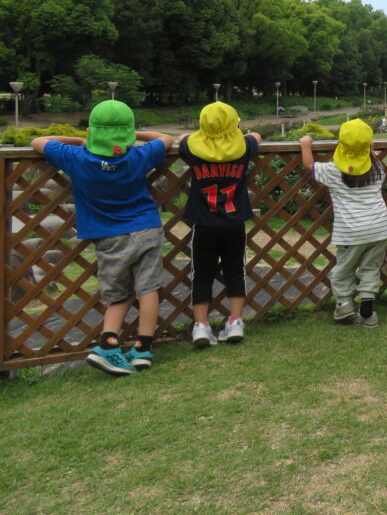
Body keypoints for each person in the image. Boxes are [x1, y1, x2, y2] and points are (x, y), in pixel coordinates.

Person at [31, 100, 173, 376]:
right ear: (128, 132)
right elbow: (165, 139)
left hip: (108, 236)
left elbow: (39, 141)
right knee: (148, 289)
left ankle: (108, 344)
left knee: (117, 294)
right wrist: (136, 136)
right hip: (146, 228)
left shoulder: (76, 157)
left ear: (93, 130)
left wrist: (78, 138)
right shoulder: (137, 156)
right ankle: (143, 348)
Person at [177, 102, 261, 347]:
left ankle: (201, 325)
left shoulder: (191, 148)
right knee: (236, 272)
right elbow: (255, 135)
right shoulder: (245, 145)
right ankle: (235, 320)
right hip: (234, 222)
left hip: (204, 222)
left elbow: (184, 138)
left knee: (201, 275)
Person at [300, 120, 387, 327]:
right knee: (371, 268)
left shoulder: (333, 170)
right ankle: (367, 312)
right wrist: (369, 148)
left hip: (351, 231)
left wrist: (306, 144)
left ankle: (344, 304)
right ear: (370, 145)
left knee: (345, 268)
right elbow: (370, 153)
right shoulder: (378, 167)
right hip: (378, 228)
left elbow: (310, 165)